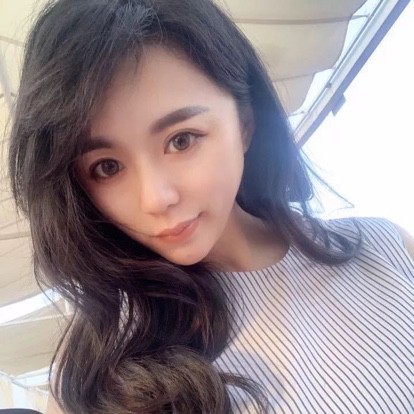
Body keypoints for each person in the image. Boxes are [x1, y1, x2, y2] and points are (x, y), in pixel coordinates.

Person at [7, 0, 414, 413]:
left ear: (245, 124)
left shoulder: (387, 248)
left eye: (181, 140)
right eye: (107, 167)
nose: (155, 199)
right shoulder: (95, 378)